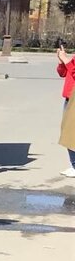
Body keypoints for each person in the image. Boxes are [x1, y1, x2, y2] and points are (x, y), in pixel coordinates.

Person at [56, 42, 75, 177]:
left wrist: (66, 60)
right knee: (67, 131)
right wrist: (61, 62)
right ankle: (73, 164)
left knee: (71, 132)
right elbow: (62, 73)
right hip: (68, 98)